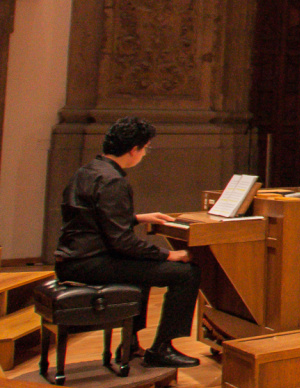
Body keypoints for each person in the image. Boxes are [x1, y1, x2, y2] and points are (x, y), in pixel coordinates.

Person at [54, 117, 202, 368]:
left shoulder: (88, 170)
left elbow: (91, 218)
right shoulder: (114, 181)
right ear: (134, 150)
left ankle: (131, 344)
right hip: (89, 263)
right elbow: (122, 243)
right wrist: (168, 255)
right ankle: (162, 348)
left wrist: (136, 218)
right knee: (187, 273)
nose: (144, 154)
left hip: (73, 258)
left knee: (139, 269)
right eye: (145, 148)